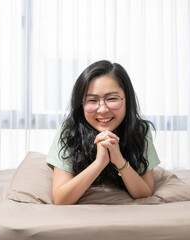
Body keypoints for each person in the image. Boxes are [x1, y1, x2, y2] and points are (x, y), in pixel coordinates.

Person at [46, 60, 160, 205]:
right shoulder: (69, 131)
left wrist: (119, 160)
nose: (102, 109)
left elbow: (144, 192)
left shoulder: (139, 130)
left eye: (112, 99)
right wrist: (100, 163)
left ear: (127, 99)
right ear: (81, 104)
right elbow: (61, 199)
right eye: (92, 100)